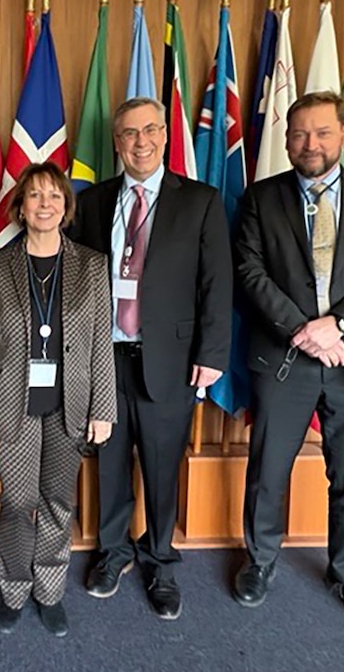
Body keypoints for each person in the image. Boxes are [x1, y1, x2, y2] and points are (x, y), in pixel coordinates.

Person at [231, 91, 344, 636]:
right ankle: (260, 561)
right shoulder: (261, 199)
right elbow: (250, 271)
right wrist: (303, 331)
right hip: (285, 358)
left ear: (342, 135)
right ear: (286, 140)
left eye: (322, 133)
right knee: (267, 471)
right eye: (300, 134)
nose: (310, 144)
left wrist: (338, 326)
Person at [69, 96, 232, 620]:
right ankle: (113, 551)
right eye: (129, 134)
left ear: (165, 135)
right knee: (110, 461)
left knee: (162, 466)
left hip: (173, 357)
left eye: (150, 131)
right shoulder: (92, 203)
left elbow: (216, 282)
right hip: (105, 356)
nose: (140, 142)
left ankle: (159, 560)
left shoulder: (200, 201)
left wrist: (211, 353)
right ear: (116, 143)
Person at [0, 163, 115, 637]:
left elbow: (99, 344)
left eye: (54, 196)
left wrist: (103, 409)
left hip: (69, 404)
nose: (45, 204)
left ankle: (49, 591)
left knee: (56, 500)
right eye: (35, 196)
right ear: (21, 207)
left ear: (66, 206)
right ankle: (13, 587)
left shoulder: (91, 266)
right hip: (11, 404)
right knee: (17, 500)